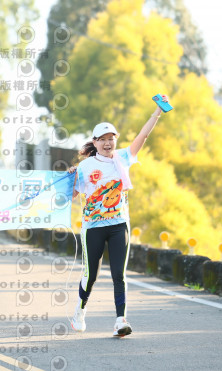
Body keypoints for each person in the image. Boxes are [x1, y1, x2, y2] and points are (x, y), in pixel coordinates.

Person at [70, 95, 168, 337]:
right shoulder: (85, 167)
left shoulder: (123, 158)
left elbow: (143, 136)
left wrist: (157, 111)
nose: (107, 143)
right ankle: (80, 310)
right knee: (90, 275)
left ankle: (120, 320)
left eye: (111, 138)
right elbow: (71, 195)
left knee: (119, 275)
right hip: (93, 227)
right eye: (102, 139)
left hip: (118, 225)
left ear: (115, 140)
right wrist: (69, 178)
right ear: (94, 142)